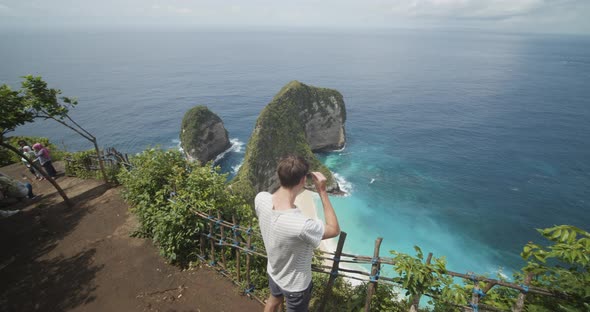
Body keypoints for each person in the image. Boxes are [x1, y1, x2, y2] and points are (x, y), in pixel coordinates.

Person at [255, 155, 341, 312]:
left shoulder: (260, 199)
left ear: (279, 175)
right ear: (303, 181)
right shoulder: (302, 225)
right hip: (296, 285)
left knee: (273, 300)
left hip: (274, 271)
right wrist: (322, 191)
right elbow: (334, 229)